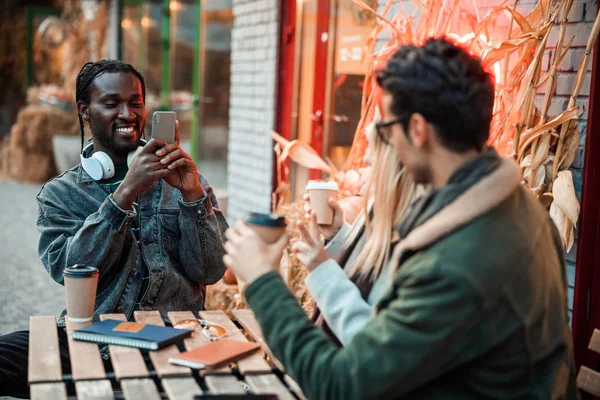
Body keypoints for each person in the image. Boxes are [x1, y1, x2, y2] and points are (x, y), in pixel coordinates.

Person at [223, 38, 578, 399]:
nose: (385, 143)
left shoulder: (455, 263)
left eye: (387, 128)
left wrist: (263, 281)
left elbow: (342, 385)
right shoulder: (520, 208)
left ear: (418, 130)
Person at [0, 60, 228, 398]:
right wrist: (123, 196)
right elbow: (70, 270)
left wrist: (193, 196)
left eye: (135, 102)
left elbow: (210, 271)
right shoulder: (61, 194)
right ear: (85, 111)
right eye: (111, 103)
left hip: (171, 338)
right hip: (93, 337)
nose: (127, 113)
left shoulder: (184, 181)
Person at [300, 109, 416, 345]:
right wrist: (339, 236)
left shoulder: (417, 226)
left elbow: (373, 342)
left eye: (377, 119)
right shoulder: (382, 202)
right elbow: (367, 273)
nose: (366, 129)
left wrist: (265, 280)